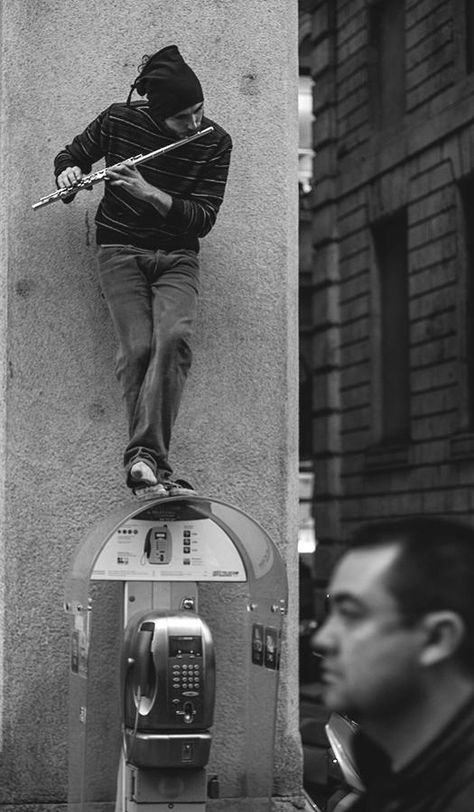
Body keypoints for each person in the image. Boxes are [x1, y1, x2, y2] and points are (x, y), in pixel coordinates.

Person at [54, 45, 232, 496]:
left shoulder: (214, 141)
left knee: (172, 338)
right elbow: (72, 155)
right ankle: (154, 469)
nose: (194, 123)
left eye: (199, 110)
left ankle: (144, 461)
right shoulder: (119, 120)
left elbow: (204, 218)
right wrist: (70, 174)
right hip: (119, 251)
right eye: (182, 117)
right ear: (156, 113)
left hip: (177, 257)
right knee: (136, 351)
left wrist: (148, 192)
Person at [312, 516, 474, 812]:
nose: (322, 639)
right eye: (330, 612)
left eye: (351, 614)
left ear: (438, 638)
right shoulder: (390, 769)